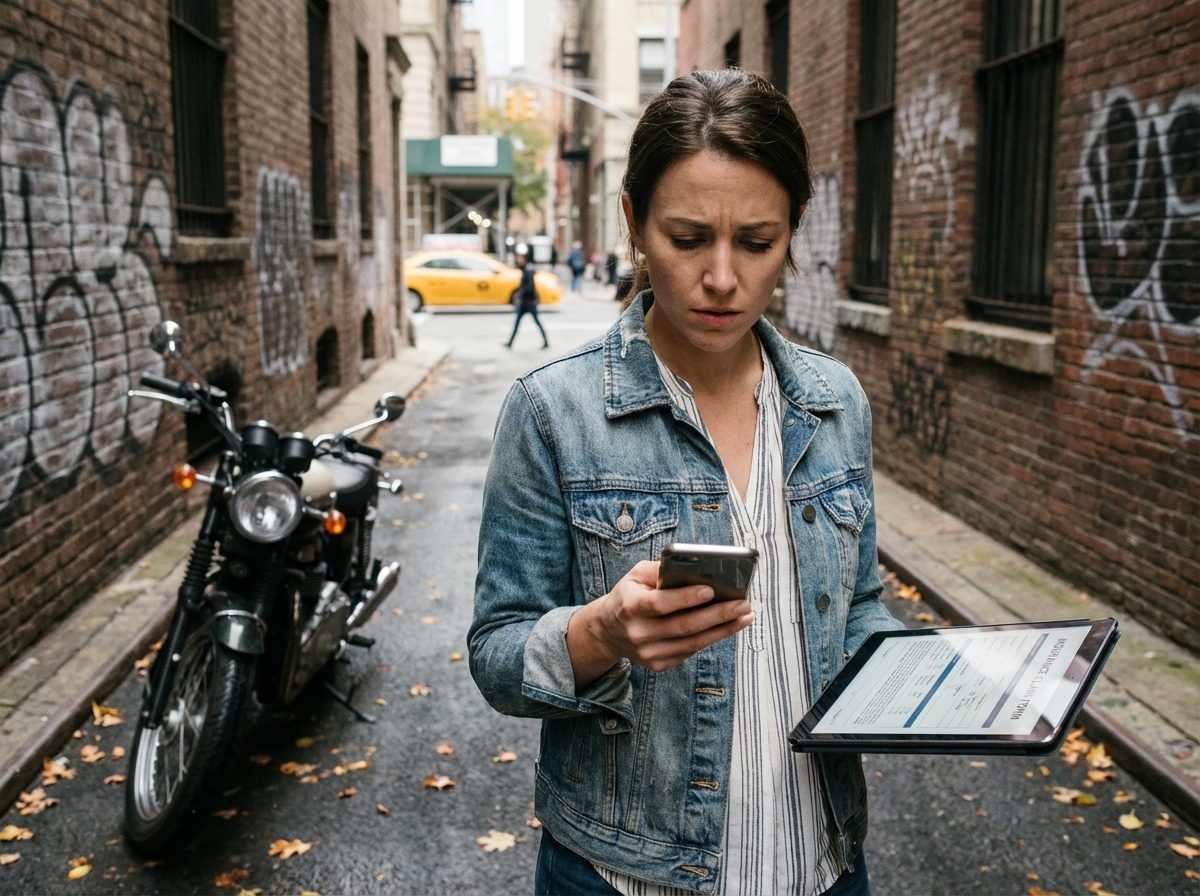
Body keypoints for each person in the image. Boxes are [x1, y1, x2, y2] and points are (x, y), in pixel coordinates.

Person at [471, 69, 901, 896]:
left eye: (757, 241)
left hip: (823, 861)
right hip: (624, 876)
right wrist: (600, 635)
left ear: (792, 231)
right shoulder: (553, 413)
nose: (722, 278)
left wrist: (938, 685)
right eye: (688, 236)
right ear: (633, 220)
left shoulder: (835, 401)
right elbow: (496, 655)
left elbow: (857, 607)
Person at [505, 254, 549, 349]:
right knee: (518, 323)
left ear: (525, 259)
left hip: (528, 303)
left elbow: (529, 287)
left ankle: (546, 341)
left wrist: (520, 294)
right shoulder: (525, 270)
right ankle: (510, 343)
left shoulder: (528, 271)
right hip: (527, 302)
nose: (518, 261)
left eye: (520, 259)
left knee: (536, 322)